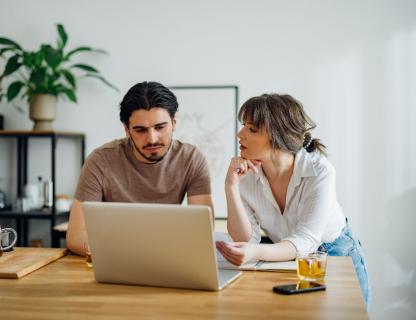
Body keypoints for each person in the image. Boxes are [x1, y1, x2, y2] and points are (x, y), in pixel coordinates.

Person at [216, 93, 370, 306]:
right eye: (243, 125)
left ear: (279, 135)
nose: (239, 134)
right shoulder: (245, 175)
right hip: (287, 257)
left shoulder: (319, 170)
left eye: (251, 129)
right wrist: (230, 186)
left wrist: (256, 252)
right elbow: (246, 239)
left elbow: (306, 239)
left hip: (335, 254)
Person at [67, 81, 214, 256]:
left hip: (165, 258)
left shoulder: (191, 159)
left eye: (160, 127)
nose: (152, 139)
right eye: (140, 130)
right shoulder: (100, 160)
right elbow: (75, 236)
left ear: (174, 123)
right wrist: (132, 251)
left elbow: (203, 233)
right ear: (127, 130)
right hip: (116, 259)